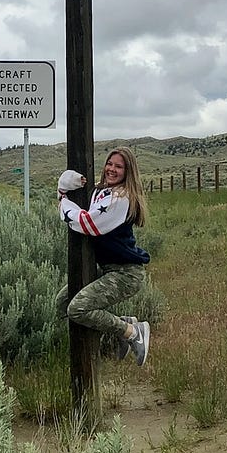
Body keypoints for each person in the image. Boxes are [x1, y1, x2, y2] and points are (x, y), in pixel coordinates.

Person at [55, 147, 151, 366]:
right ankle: (120, 328)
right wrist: (66, 186)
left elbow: (87, 224)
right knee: (63, 302)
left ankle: (132, 332)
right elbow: (73, 193)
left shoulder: (121, 198)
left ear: (128, 172)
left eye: (119, 166)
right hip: (109, 269)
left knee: (78, 308)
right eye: (109, 163)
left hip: (126, 273)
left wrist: (64, 203)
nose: (112, 169)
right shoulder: (102, 191)